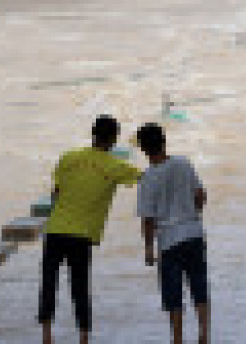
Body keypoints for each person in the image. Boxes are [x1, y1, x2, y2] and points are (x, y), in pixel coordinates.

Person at [38, 115, 141, 344]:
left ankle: (47, 335)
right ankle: (83, 336)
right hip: (82, 235)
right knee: (80, 286)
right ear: (114, 139)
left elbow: (56, 191)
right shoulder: (116, 166)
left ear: (93, 133)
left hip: (55, 229)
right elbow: (146, 178)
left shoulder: (68, 157)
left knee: (48, 282)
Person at [135, 122, 210, 344]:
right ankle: (204, 335)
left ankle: (177, 338)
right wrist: (192, 212)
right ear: (164, 141)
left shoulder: (147, 178)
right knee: (199, 286)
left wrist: (148, 249)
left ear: (143, 148)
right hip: (194, 233)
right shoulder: (183, 163)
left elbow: (148, 219)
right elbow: (201, 195)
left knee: (173, 295)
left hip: (169, 242)